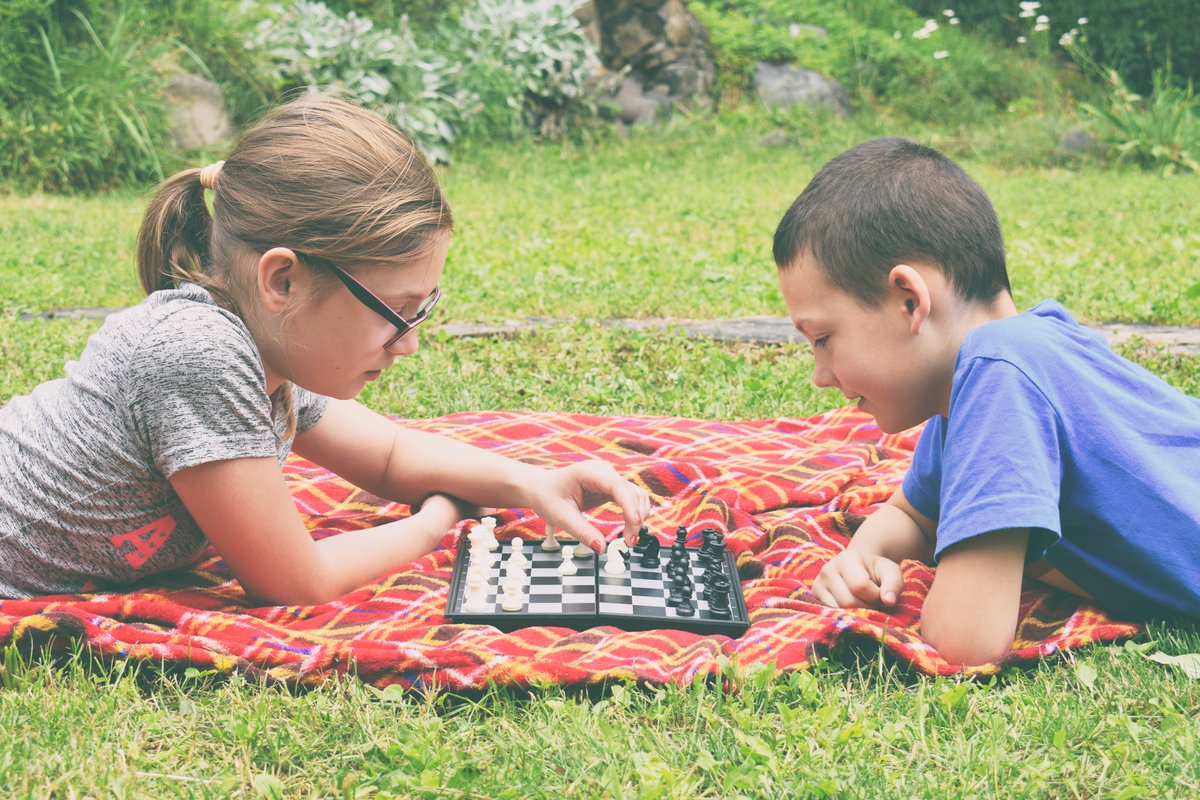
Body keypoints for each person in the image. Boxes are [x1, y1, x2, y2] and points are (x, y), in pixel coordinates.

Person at [0, 94, 649, 604]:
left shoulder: (266, 348)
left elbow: (391, 456)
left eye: (422, 310)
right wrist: (435, 524)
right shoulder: (199, 352)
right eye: (395, 313)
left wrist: (531, 482)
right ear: (282, 280)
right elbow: (294, 582)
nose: (412, 343)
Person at [772, 137, 1200, 666]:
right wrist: (864, 555)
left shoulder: (1000, 374)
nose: (820, 376)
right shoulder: (987, 371)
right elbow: (916, 513)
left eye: (822, 339)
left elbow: (965, 641)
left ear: (910, 300)